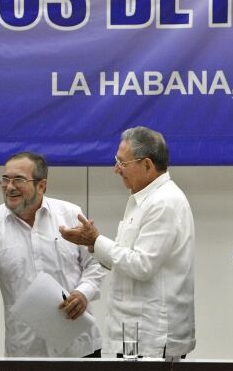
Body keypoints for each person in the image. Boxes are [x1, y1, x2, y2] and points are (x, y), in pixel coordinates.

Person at [0, 151, 107, 357]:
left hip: (78, 347)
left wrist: (83, 293)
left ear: (41, 185)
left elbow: (95, 263)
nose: (10, 187)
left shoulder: (69, 214)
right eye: (5, 179)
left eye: (18, 180)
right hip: (26, 350)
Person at [59, 127, 196, 359]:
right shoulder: (144, 198)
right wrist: (92, 244)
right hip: (135, 336)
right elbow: (126, 258)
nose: (116, 169)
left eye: (122, 163)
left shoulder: (164, 203)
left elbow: (142, 265)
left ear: (147, 165)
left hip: (152, 339)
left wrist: (95, 240)